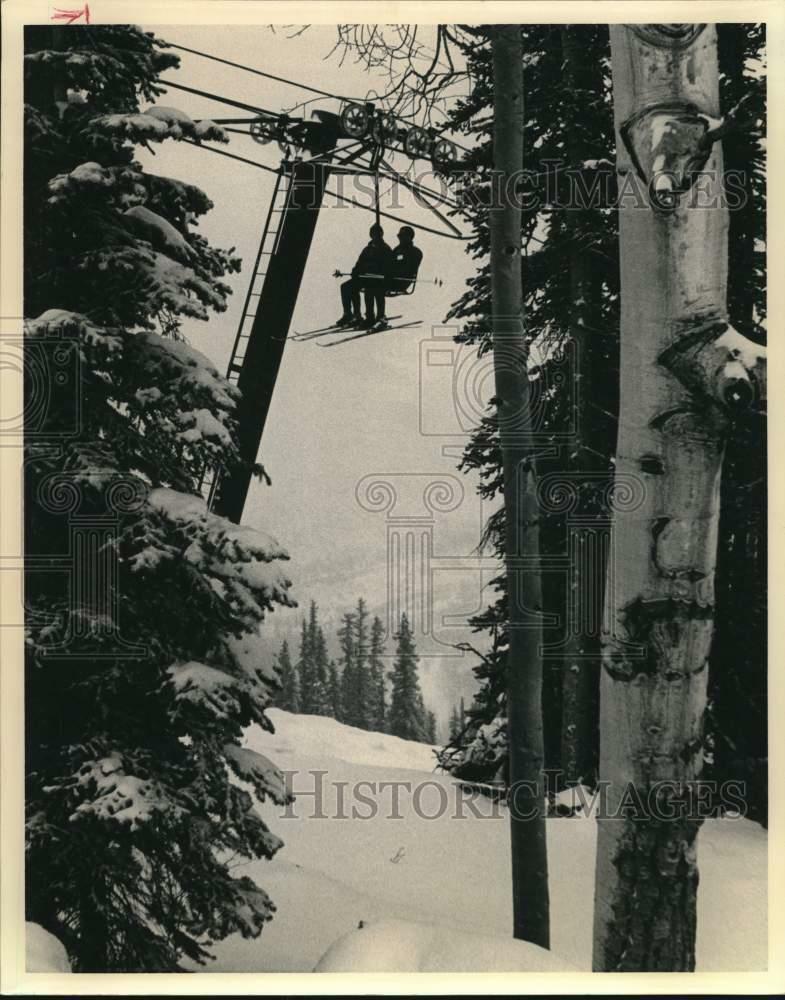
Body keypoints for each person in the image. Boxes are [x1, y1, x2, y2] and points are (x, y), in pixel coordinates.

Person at [337, 224, 394, 329]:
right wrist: (355, 271)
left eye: (377, 234)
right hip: (364, 278)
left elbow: (388, 266)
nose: (375, 236)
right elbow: (359, 263)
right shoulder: (367, 249)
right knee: (346, 287)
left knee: (370, 289)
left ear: (381, 234)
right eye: (373, 234)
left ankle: (371, 317)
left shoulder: (385, 249)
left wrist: (375, 271)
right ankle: (352, 314)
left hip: (377, 279)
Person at [387, 226, 423, 295]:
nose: (399, 238)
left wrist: (391, 271)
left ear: (409, 237)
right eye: (399, 236)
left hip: (400, 281)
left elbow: (409, 269)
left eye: (401, 236)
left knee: (373, 286)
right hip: (392, 278)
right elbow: (390, 261)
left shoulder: (414, 252)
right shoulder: (397, 250)